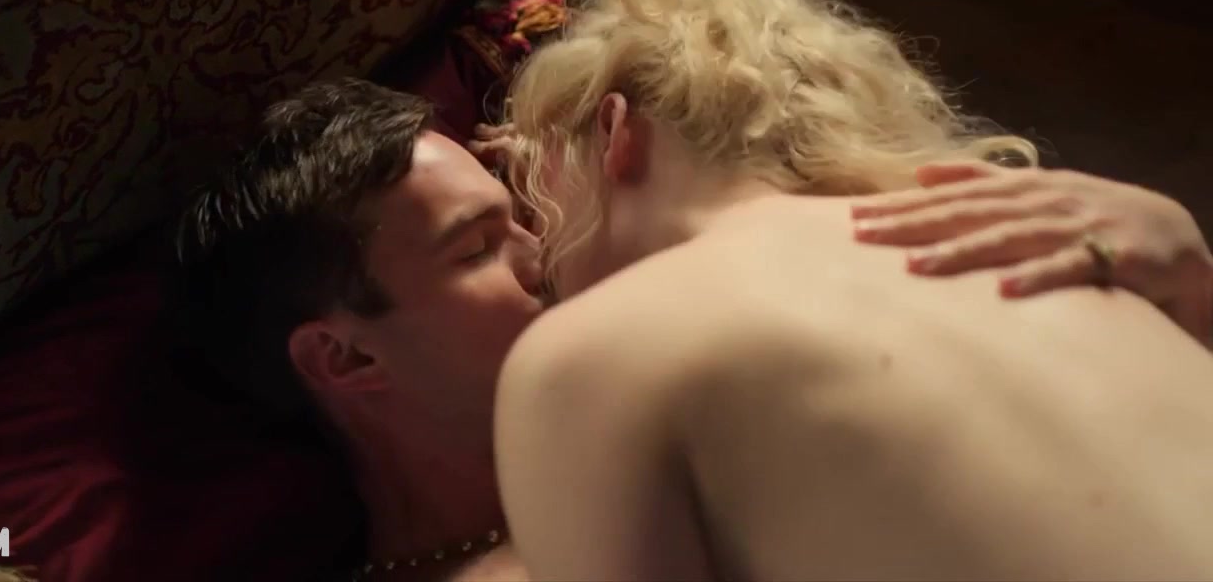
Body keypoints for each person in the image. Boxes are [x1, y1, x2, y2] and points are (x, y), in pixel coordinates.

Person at [171, 87, 1209, 580]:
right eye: (477, 247)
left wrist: (1180, 275)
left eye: (521, 216)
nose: (541, 252)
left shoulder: (675, 387)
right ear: (345, 355)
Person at [492, 0, 1213, 581]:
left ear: (614, 130)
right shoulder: (1070, 250)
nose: (533, 244)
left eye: (530, 181)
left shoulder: (592, 351)